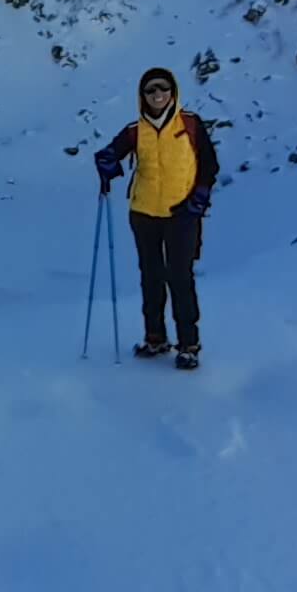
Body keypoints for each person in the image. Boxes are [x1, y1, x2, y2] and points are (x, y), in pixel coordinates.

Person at [93, 66, 218, 368]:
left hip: (182, 214)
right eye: (150, 90)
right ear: (142, 96)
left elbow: (209, 165)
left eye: (163, 88)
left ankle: (188, 344)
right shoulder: (135, 131)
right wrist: (106, 162)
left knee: (180, 277)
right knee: (151, 277)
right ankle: (155, 338)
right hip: (144, 213)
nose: (157, 94)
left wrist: (199, 198)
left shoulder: (190, 124)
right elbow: (110, 152)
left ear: (173, 92)